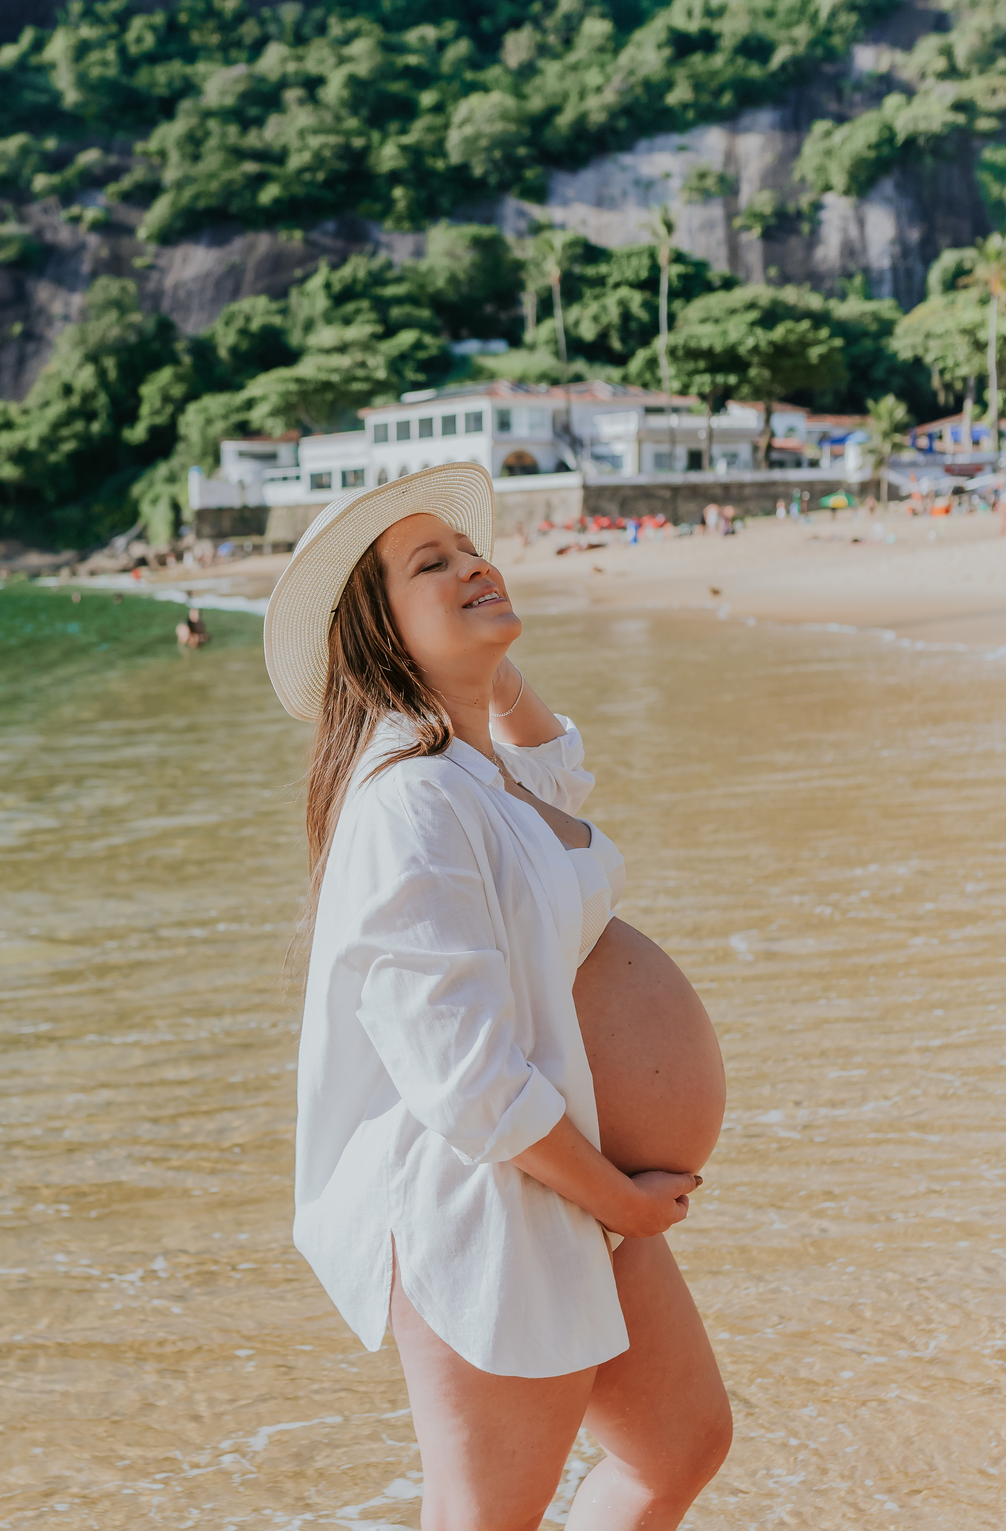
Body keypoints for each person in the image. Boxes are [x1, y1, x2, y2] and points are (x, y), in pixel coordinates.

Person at [263, 464, 730, 1531]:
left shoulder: (469, 768)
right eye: (433, 565)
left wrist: (481, 667)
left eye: (470, 549)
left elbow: (555, 775)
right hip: (483, 1197)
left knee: (678, 1447)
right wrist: (622, 1201)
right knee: (487, 1520)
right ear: (376, 634)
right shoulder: (408, 800)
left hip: (567, 1177)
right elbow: (463, 1081)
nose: (475, 562)